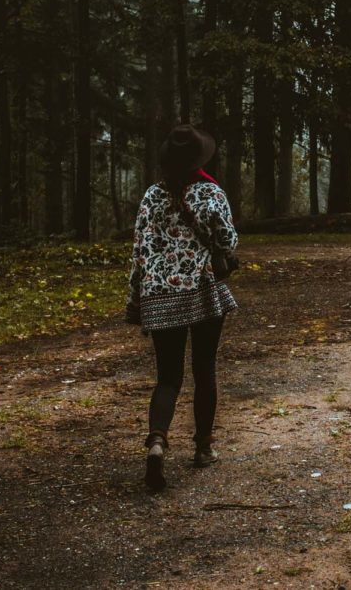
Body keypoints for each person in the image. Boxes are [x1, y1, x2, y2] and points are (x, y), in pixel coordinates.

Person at [125, 124, 238, 490]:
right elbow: (227, 241)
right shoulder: (211, 192)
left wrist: (136, 300)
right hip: (201, 291)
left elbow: (139, 251)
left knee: (168, 377)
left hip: (160, 295)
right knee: (204, 369)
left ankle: (157, 442)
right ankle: (203, 448)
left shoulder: (151, 196)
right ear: (198, 159)